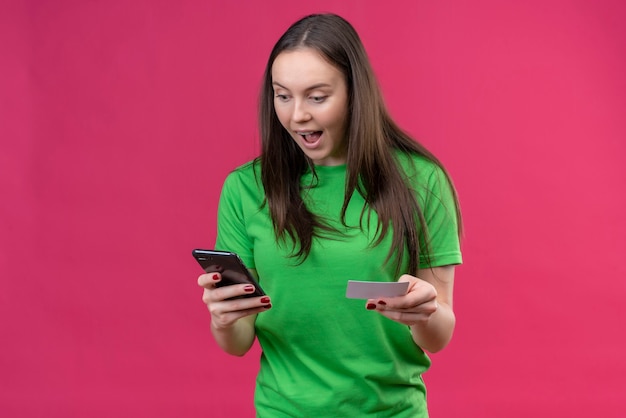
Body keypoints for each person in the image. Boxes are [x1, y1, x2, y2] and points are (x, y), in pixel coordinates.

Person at [197, 13, 463, 417]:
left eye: (317, 97)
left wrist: (424, 311)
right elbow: (237, 343)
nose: (296, 115)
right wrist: (222, 318)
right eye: (282, 95)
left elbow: (437, 336)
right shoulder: (245, 189)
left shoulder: (422, 180)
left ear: (355, 93)